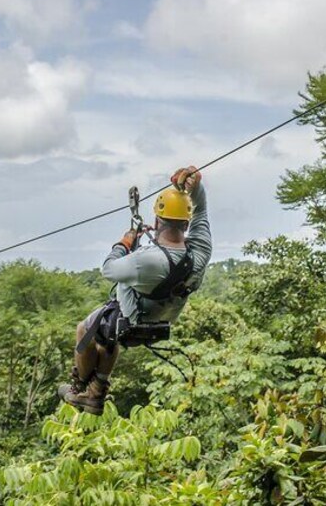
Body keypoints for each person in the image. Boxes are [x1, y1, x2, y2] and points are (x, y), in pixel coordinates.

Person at [58, 166, 212, 414]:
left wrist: (125, 242)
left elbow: (108, 269)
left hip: (134, 316)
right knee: (106, 339)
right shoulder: (200, 252)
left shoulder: (147, 261)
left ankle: (80, 391)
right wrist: (195, 186)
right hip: (164, 317)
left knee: (84, 329)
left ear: (157, 221)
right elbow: (201, 210)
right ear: (186, 222)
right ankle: (97, 391)